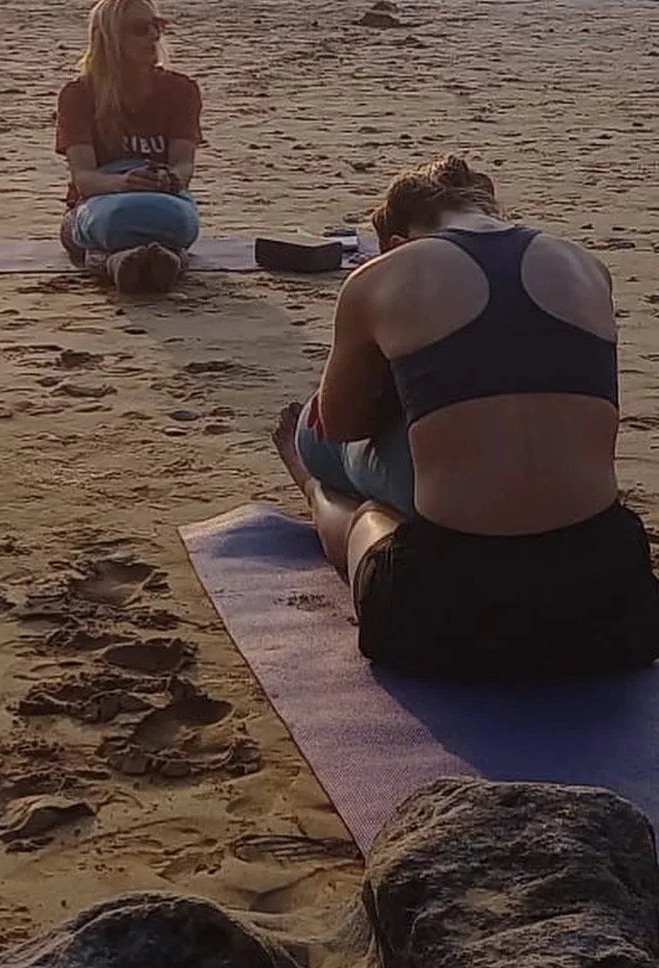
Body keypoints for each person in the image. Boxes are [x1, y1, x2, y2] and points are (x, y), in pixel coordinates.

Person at [271, 155, 659, 680]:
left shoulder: (379, 277)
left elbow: (338, 426)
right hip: (615, 606)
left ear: (395, 242)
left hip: (447, 614)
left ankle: (315, 492)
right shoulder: (586, 265)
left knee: (336, 471)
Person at [54, 0, 203, 296]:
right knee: (108, 226)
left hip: (163, 198)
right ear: (109, 38)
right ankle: (134, 261)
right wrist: (124, 182)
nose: (152, 36)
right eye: (139, 29)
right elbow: (84, 178)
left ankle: (135, 260)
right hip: (98, 201)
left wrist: (171, 179)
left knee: (175, 222)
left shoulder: (180, 90)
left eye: (157, 26)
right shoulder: (79, 95)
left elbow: (184, 163)